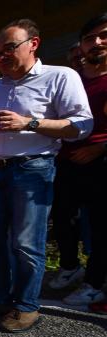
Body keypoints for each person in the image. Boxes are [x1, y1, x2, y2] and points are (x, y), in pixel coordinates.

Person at [0, 19, 93, 332]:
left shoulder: (61, 76)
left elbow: (81, 126)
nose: (1, 57)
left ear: (33, 43)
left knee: (25, 243)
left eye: (8, 49)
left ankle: (26, 306)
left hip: (32, 168)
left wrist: (30, 123)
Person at [51, 14, 107, 310]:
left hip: (100, 162)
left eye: (103, 35)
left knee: (99, 227)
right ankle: (71, 266)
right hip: (67, 161)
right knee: (61, 218)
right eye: (89, 38)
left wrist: (101, 148)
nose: (96, 42)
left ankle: (95, 284)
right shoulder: (75, 81)